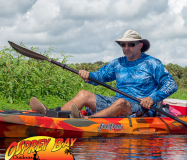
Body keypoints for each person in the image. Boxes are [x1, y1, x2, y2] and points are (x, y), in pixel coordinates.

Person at [30, 30, 178, 118]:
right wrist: (88, 75)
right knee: (83, 94)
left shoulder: (152, 63)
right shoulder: (117, 63)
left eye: (131, 44)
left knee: (120, 103)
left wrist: (152, 98)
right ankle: (55, 116)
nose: (126, 48)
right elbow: (100, 77)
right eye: (123, 44)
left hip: (140, 107)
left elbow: (171, 84)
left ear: (140, 46)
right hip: (116, 104)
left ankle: (87, 122)